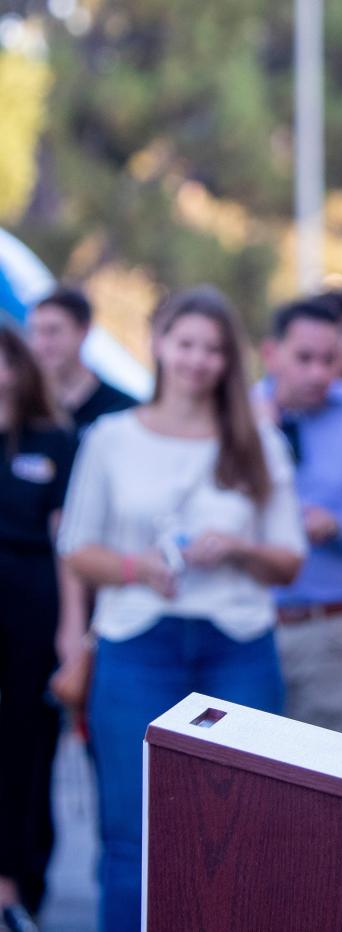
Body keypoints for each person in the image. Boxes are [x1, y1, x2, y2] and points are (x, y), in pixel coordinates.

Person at [57, 286, 305, 932]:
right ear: (160, 344)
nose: (198, 360)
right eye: (186, 343)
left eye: (214, 349)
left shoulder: (256, 440)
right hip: (137, 641)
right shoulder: (110, 437)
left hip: (238, 644)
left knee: (245, 826)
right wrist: (139, 568)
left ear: (229, 361)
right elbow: (77, 547)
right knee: (131, 831)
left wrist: (238, 548)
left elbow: (288, 558)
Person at [256, 296, 342, 737]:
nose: (319, 373)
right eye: (304, 358)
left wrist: (340, 526)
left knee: (324, 785)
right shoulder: (234, 415)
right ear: (270, 353)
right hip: (245, 630)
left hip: (335, 630)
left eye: (329, 359)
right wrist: (258, 431)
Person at [0, 328, 76, 931]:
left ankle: (19, 890)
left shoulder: (55, 440)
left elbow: (66, 546)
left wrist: (69, 636)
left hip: (30, 616)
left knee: (25, 750)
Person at [27, 286, 137, 434]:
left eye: (53, 331)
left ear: (83, 331)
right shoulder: (22, 404)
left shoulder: (120, 412)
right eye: (36, 331)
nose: (41, 344)